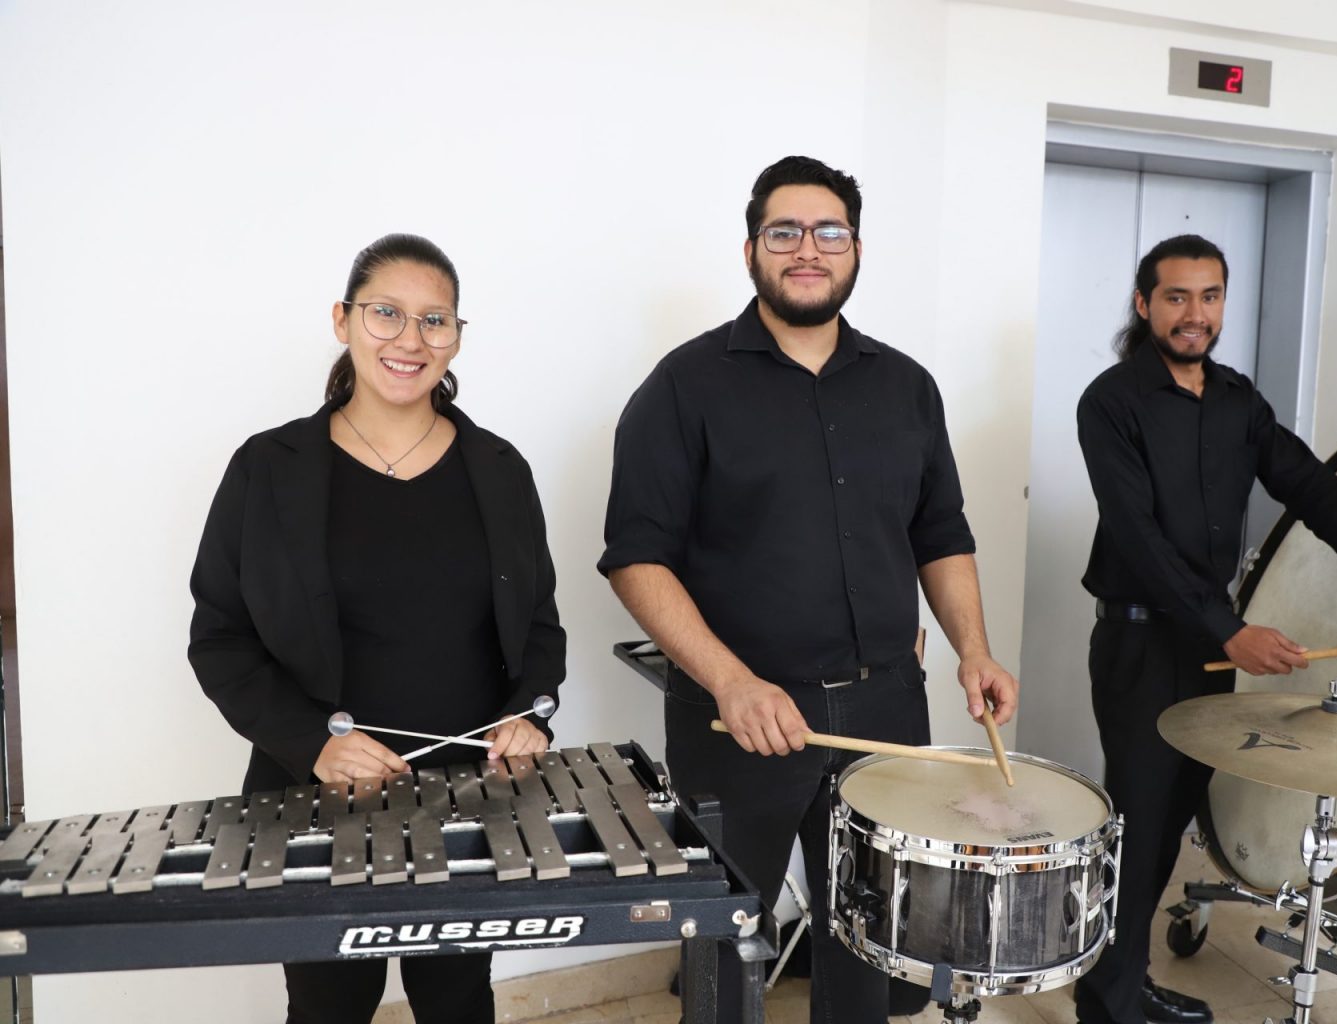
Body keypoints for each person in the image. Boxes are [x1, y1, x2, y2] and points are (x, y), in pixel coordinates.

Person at [598, 155, 1020, 1022]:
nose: (807, 249)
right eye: (783, 231)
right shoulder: (684, 385)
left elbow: (941, 534)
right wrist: (732, 682)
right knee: (724, 955)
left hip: (884, 713)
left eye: (829, 231)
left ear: (856, 248)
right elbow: (636, 558)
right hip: (740, 718)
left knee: (871, 955)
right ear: (751, 250)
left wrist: (974, 650)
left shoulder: (907, 386)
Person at [1074, 233, 1337, 1024]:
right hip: (1140, 642)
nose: (1195, 314)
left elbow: (1310, 485)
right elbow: (1139, 539)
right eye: (1176, 297)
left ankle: (1122, 983)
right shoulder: (1110, 402)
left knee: (1171, 822)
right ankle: (1108, 1004)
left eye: (1210, 296)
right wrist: (1228, 628)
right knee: (1138, 826)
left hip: (1206, 648)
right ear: (1144, 304)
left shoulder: (1239, 401)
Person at [188, 233, 565, 1024]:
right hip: (311, 795)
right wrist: (313, 744)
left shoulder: (500, 471)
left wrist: (528, 713)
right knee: (329, 1004)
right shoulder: (268, 468)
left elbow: (537, 625)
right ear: (343, 320)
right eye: (386, 313)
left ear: (456, 337)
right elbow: (220, 637)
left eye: (435, 320)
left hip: (469, 795)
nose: (410, 339)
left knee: (458, 1002)